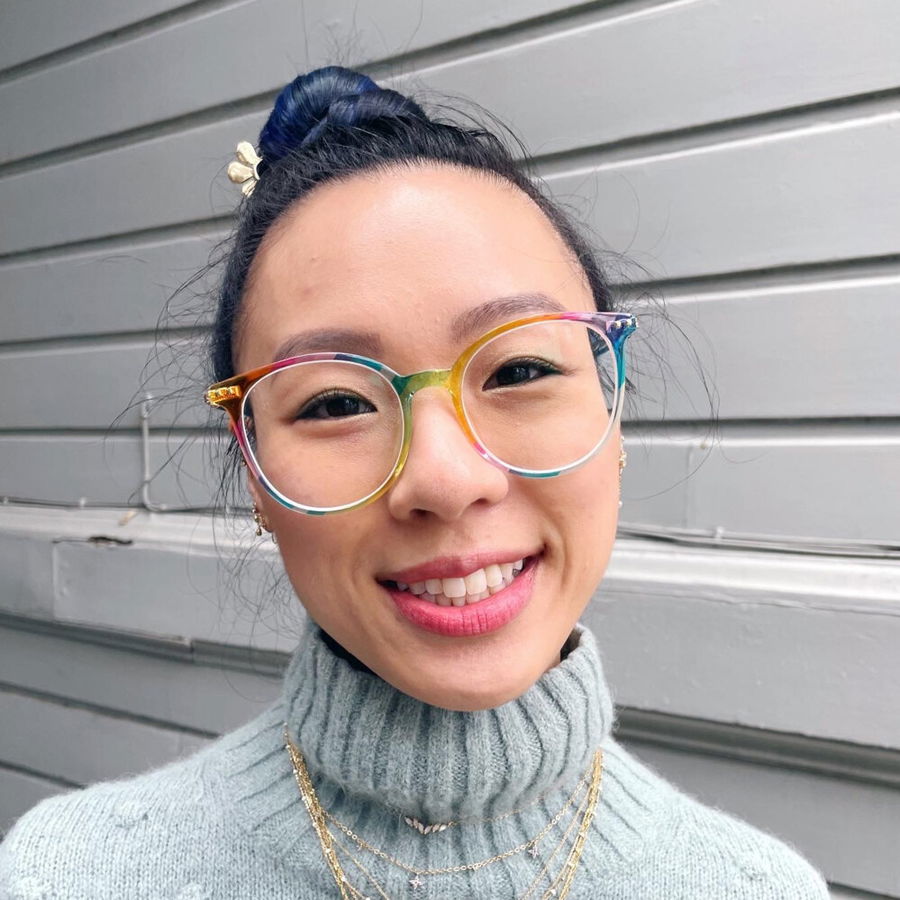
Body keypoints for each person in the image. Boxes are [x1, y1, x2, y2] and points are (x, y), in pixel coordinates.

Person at [0, 66, 828, 899]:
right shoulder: (69, 877)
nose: (444, 477)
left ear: (613, 413)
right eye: (335, 402)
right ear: (253, 469)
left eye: (520, 369)